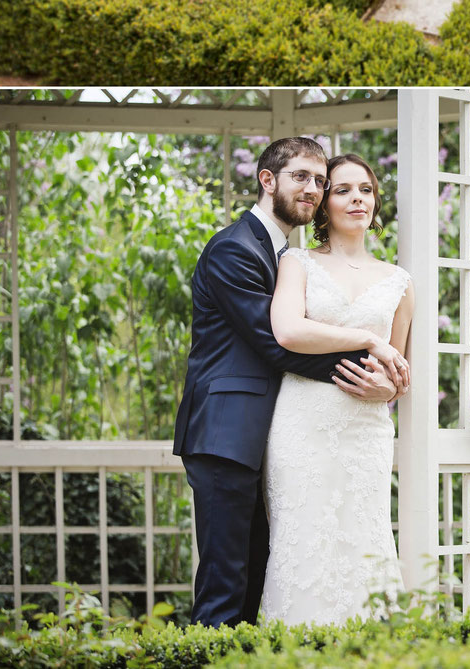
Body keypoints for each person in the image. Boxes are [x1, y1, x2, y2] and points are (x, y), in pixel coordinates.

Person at [173, 137, 408, 629]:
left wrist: (386, 387)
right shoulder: (235, 250)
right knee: (225, 579)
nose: (313, 189)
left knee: (255, 574)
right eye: (302, 177)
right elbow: (278, 344)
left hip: (271, 432)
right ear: (267, 180)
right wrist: (370, 361)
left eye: (319, 181)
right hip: (226, 432)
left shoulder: (280, 252)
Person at [262, 152, 414, 625]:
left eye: (365, 190)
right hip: (302, 423)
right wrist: (367, 339)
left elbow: (400, 368)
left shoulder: (400, 282)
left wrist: (387, 391)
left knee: (365, 539)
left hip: (365, 430)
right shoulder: (297, 262)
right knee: (302, 538)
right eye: (343, 190)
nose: (356, 199)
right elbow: (288, 331)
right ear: (325, 205)